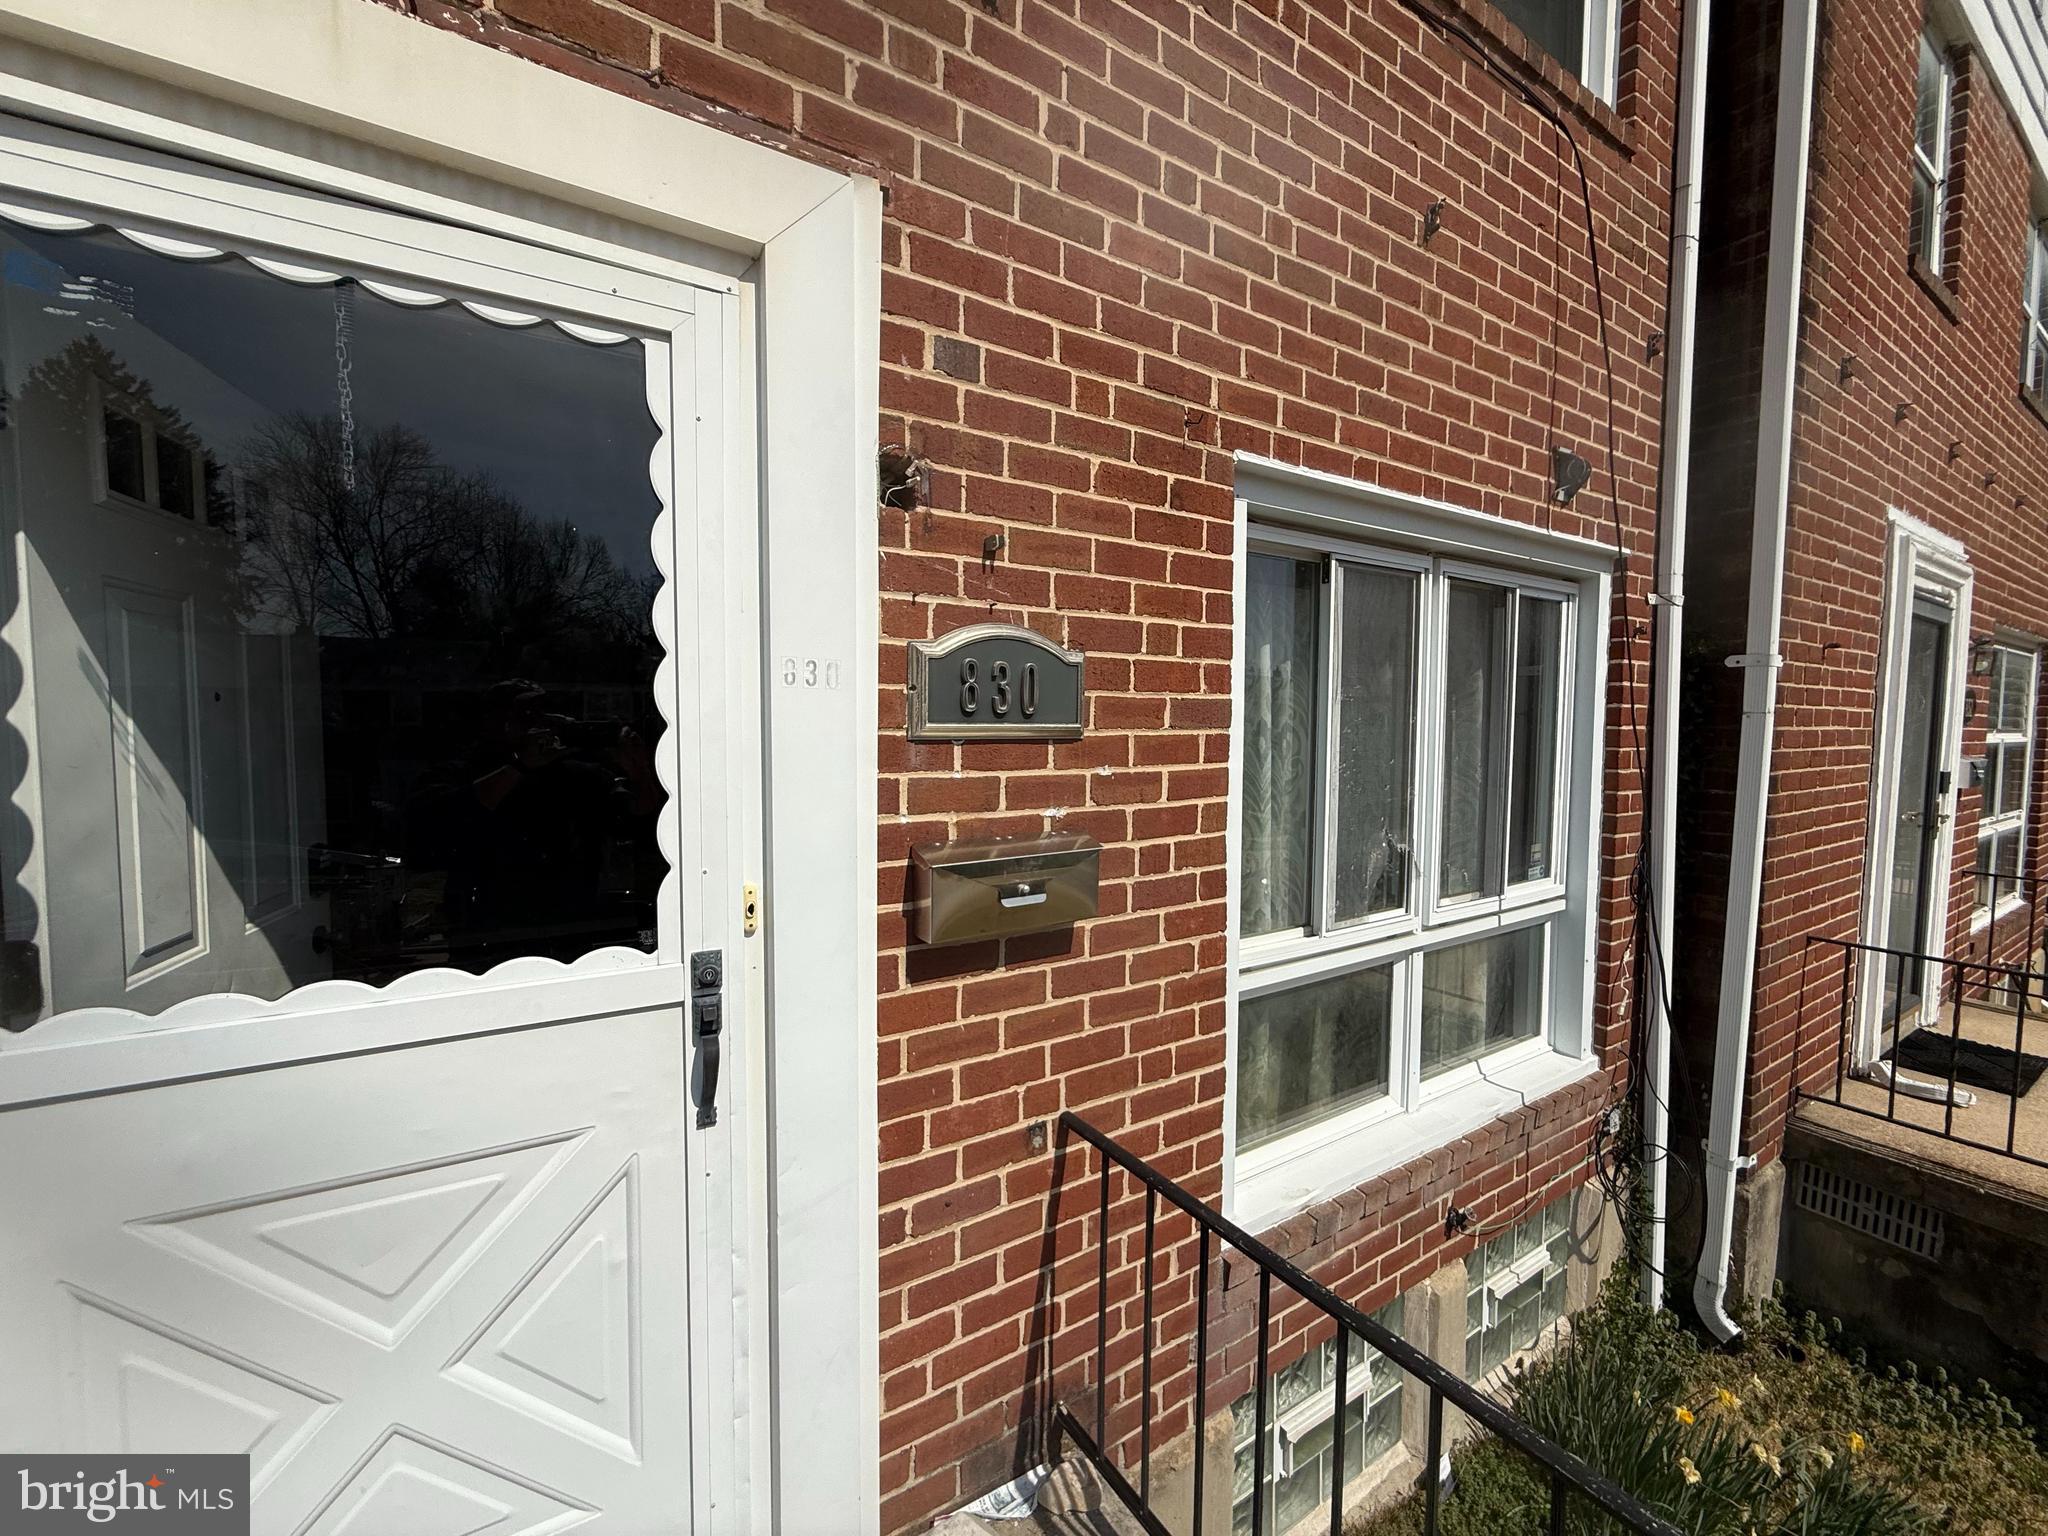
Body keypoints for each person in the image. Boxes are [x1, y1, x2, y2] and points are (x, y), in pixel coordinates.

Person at [441, 677, 661, 967]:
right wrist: (521, 765)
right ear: (496, 724)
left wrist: (639, 770)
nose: (539, 724)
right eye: (525, 716)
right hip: (491, 937)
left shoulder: (580, 777)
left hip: (573, 934)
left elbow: (639, 821)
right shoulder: (471, 771)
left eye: (544, 714)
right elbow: (446, 822)